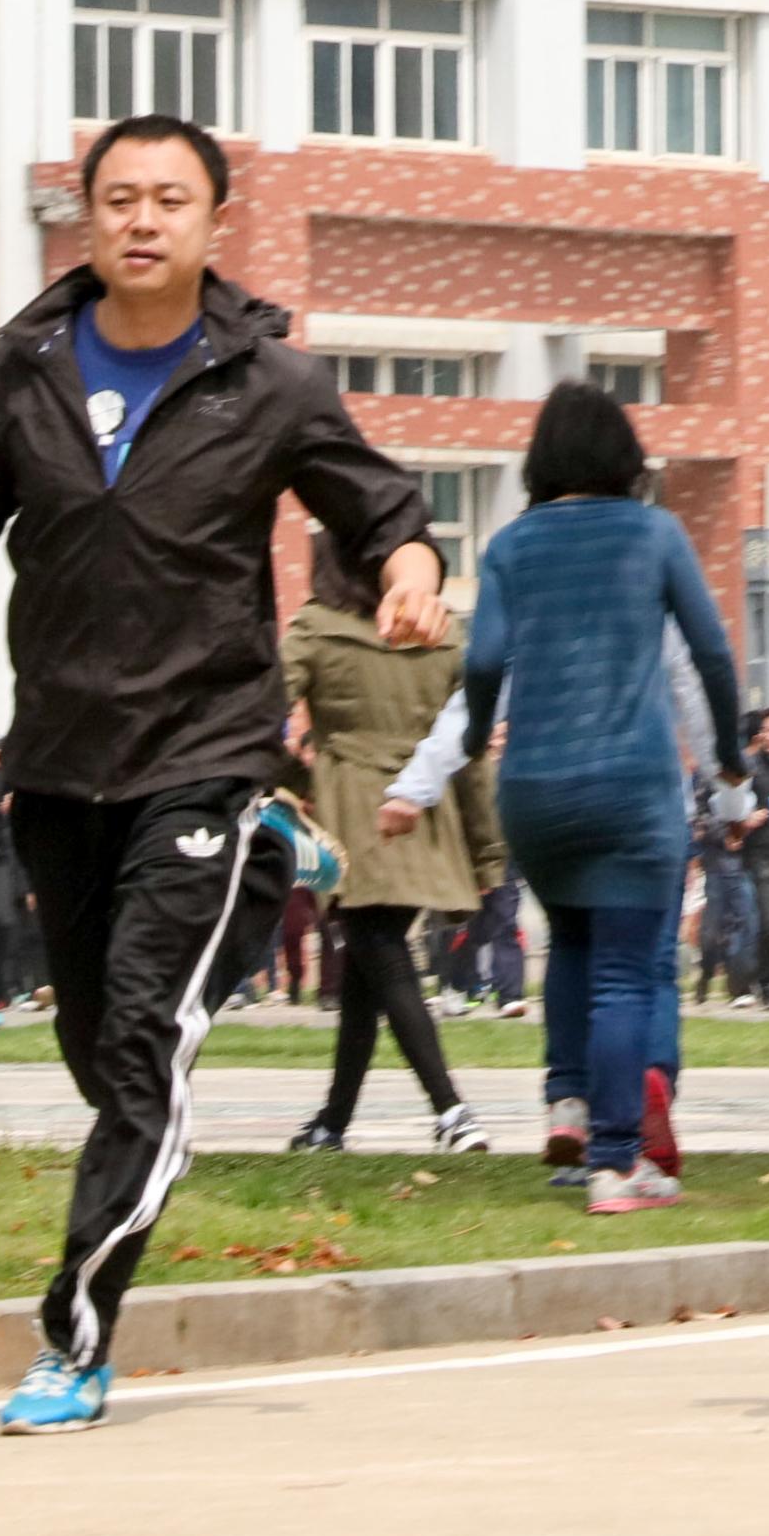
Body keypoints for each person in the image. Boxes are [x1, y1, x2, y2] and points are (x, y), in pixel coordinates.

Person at [0, 105, 433, 1424]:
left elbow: (382, 507)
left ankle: (74, 1338)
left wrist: (411, 571)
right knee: (98, 1047)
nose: (141, 220)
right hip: (61, 760)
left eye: (169, 200)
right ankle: (266, 867)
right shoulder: (15, 365)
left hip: (207, 745)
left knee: (141, 1038)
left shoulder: (271, 381)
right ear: (88, 217)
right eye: (119, 198)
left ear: (212, 222)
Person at [428, 389, 747, 1211]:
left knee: (568, 944)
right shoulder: (654, 533)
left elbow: (483, 661)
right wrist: (730, 755)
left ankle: (566, 1101)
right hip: (631, 786)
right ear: (624, 457)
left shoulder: (510, 545)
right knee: (624, 977)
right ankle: (613, 1164)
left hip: (534, 791)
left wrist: (475, 739)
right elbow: (711, 652)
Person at [279, 489, 485, 1162]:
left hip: (353, 813)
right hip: (425, 811)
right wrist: (487, 850)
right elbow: (471, 745)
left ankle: (451, 1109)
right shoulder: (442, 633)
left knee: (381, 958)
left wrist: (296, 785)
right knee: (367, 970)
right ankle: (333, 1121)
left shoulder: (315, 628)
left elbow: (261, 714)